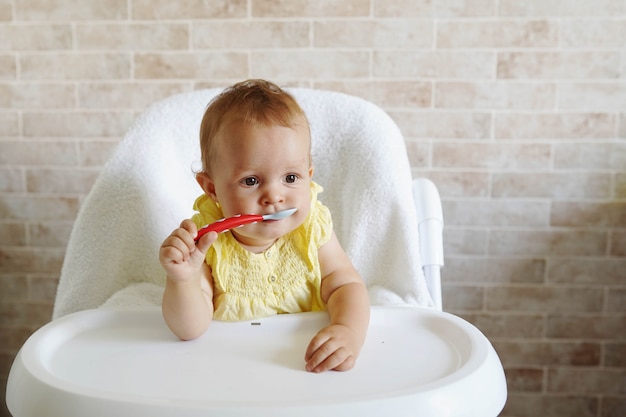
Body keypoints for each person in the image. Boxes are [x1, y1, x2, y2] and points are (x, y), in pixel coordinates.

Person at [159, 79, 370, 373]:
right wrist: (182, 279)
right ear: (212, 189)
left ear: (309, 176)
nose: (274, 196)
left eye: (291, 178)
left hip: (304, 366)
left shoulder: (311, 228)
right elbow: (189, 329)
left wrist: (348, 331)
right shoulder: (206, 243)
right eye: (251, 181)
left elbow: (346, 286)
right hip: (232, 370)